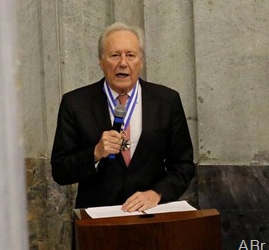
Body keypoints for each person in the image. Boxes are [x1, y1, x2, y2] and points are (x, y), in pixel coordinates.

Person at [51, 22, 195, 212]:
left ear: (141, 62)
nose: (123, 63)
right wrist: (95, 153)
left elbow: (183, 165)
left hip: (151, 218)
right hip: (98, 222)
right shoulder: (76, 103)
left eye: (130, 55)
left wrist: (156, 193)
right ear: (101, 62)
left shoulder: (166, 101)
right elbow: (60, 171)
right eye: (115, 55)